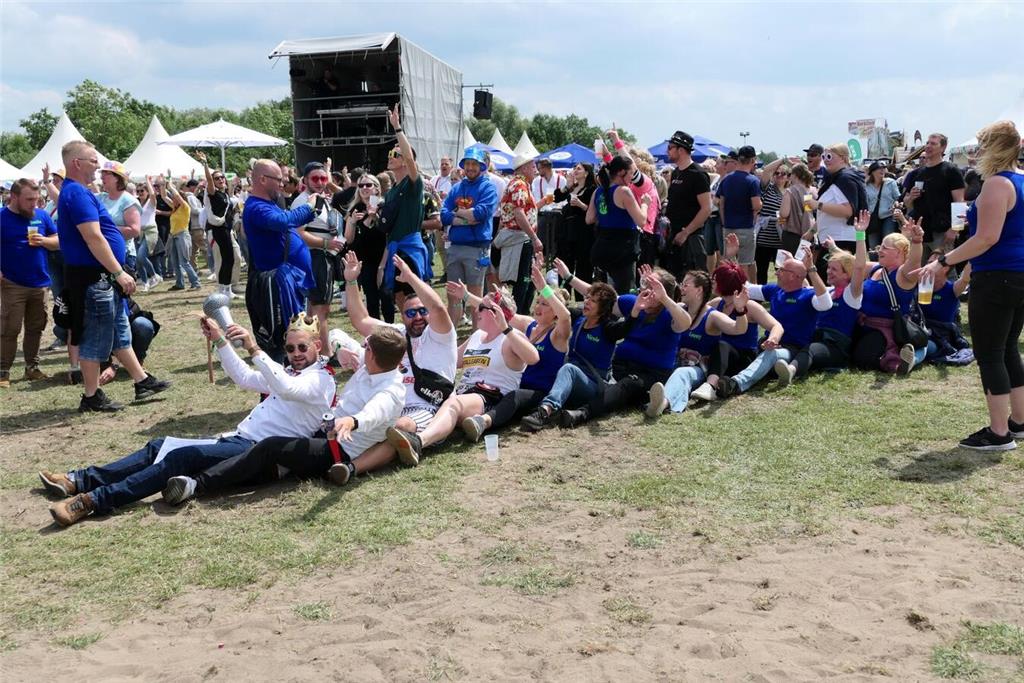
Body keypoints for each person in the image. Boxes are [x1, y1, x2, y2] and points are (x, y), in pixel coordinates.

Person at [42, 314, 336, 526]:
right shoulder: (290, 372)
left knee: (179, 458)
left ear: (317, 347)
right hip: (239, 441)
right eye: (290, 348)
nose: (295, 354)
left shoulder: (322, 381)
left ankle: (95, 500)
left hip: (257, 453)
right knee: (157, 446)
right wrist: (221, 340)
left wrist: (254, 348)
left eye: (302, 347)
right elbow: (244, 377)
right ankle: (80, 480)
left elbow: (286, 387)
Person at [161, 324, 408, 503]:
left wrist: (352, 421)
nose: (296, 353)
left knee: (270, 448)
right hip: (322, 435)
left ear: (372, 354)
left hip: (338, 450)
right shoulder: (372, 364)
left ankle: (195, 485)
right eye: (291, 348)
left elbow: (374, 413)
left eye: (366, 346)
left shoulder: (391, 391)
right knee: (266, 461)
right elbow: (335, 334)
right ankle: (275, 470)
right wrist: (341, 348)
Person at [913, 120, 1023, 450]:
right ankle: (1018, 422)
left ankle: (1000, 432)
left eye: (981, 145)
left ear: (994, 147)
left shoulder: (997, 185)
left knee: (989, 353)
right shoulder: (1019, 181)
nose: (977, 152)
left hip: (997, 277)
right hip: (1017, 275)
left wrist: (944, 261)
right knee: (1007, 350)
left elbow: (986, 238)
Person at [56, 141, 170, 412]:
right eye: (93, 161)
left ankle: (141, 380)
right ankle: (91, 396)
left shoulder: (78, 192)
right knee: (95, 337)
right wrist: (118, 272)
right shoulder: (77, 194)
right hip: (95, 277)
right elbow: (94, 237)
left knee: (119, 331)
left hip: (100, 277)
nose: (98, 166)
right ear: (77, 163)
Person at [329, 252, 457, 473]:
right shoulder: (397, 333)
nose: (417, 316)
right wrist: (351, 280)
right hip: (389, 402)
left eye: (421, 311)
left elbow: (438, 309)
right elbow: (361, 319)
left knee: (398, 427)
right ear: (402, 315)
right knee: (370, 423)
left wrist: (410, 278)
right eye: (410, 313)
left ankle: (350, 468)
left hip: (424, 406)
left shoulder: (441, 335)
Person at [384, 290, 540, 465]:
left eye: (481, 307)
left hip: (492, 399)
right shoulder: (477, 336)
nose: (476, 311)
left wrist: (506, 328)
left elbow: (533, 358)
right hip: (465, 395)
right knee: (432, 402)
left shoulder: (510, 337)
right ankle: (397, 440)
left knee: (453, 403)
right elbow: (451, 360)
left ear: (496, 312)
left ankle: (418, 442)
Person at [560, 265, 691, 426]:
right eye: (646, 284)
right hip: (619, 365)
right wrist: (568, 276)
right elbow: (601, 299)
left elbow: (685, 323)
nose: (648, 290)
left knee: (627, 386)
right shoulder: (634, 303)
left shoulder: (671, 313)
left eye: (654, 287)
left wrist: (664, 298)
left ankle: (583, 413)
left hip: (649, 373)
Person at [459, 260, 572, 441]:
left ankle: (483, 422)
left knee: (515, 396)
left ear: (555, 312)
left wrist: (544, 288)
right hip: (516, 385)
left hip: (539, 392)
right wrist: (466, 296)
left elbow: (566, 316)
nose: (538, 307)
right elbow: (499, 313)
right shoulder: (528, 324)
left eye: (545, 304)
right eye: (538, 302)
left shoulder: (557, 334)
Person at [518, 263, 631, 431]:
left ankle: (544, 412)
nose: (586, 302)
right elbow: (558, 308)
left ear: (604, 308)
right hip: (568, 379)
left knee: (569, 369)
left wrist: (635, 312)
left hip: (592, 384)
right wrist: (545, 288)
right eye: (587, 298)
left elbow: (628, 327)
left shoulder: (609, 328)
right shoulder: (579, 318)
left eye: (593, 301)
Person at [717, 246, 832, 398]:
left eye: (782, 270)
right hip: (766, 343)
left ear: (794, 276)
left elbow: (826, 303)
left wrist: (811, 268)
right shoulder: (775, 290)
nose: (776, 272)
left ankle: (735, 384)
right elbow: (746, 287)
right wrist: (732, 259)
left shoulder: (809, 295)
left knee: (771, 354)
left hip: (792, 350)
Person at [775, 215, 869, 383]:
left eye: (834, 270)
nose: (828, 272)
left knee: (810, 349)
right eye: (828, 268)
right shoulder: (829, 291)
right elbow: (800, 283)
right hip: (816, 338)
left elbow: (860, 266)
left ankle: (790, 371)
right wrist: (792, 263)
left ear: (847, 274)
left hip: (835, 347)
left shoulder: (852, 294)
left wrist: (860, 235)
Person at [243, 158, 318, 363]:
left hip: (288, 281)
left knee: (295, 334)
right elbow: (283, 221)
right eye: (279, 180)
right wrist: (308, 207)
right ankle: (278, 385)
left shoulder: (269, 204)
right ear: (262, 179)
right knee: (283, 339)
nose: (282, 185)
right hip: (278, 286)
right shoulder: (256, 207)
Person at [650, 269, 749, 415]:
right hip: (672, 361)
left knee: (682, 373)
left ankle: (663, 404)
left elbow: (738, 329)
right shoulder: (680, 309)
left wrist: (740, 310)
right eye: (681, 284)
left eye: (686, 285)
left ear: (699, 290)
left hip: (697, 368)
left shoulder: (712, 316)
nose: (681, 288)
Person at [1, 179, 60, 387]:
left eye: (36, 199)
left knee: (36, 326)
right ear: (14, 197)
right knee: (10, 327)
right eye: (29, 199)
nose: (34, 204)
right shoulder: (2, 218)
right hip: (12, 282)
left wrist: (44, 241)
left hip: (40, 282)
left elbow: (57, 240)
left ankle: (32, 368)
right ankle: (3, 371)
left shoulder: (42, 215)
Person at [851, 218, 926, 375]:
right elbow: (857, 263)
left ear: (899, 252)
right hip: (863, 325)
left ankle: (899, 358)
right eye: (881, 247)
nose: (880, 250)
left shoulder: (903, 275)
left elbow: (914, 263)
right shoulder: (875, 268)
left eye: (885, 247)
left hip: (886, 331)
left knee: (863, 360)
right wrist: (860, 235)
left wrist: (917, 242)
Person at [698, 258, 779, 400]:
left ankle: (710, 386)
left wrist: (772, 339)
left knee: (721, 345)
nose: (712, 282)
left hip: (743, 357)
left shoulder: (751, 306)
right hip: (719, 357)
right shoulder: (717, 304)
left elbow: (776, 326)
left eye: (715, 280)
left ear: (724, 283)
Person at [440, 147, 499, 325]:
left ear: (482, 166)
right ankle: (451, 336)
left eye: (474, 164)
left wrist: (456, 213)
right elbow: (443, 214)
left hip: (477, 248)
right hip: (455, 247)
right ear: (463, 166)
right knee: (453, 297)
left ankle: (477, 335)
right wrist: (463, 216)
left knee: (475, 297)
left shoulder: (488, 187)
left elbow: (481, 214)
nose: (471, 167)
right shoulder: (457, 187)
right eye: (468, 164)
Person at [379, 104, 431, 293]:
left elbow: (409, 158)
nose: (390, 157)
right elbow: (390, 232)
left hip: (410, 249)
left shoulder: (413, 184)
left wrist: (397, 128)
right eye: (390, 153)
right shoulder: (392, 191)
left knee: (414, 296)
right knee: (399, 296)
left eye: (395, 154)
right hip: (394, 248)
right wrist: (382, 264)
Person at [292, 161, 344, 350]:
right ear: (305, 180)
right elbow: (298, 233)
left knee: (315, 309)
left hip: (323, 257)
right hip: (315, 257)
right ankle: (325, 353)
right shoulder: (304, 201)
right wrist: (326, 243)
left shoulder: (320, 198)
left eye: (323, 178)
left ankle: (310, 347)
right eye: (315, 178)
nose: (320, 182)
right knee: (321, 309)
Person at [587, 156, 649, 293]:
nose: (633, 178)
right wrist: (645, 204)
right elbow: (641, 221)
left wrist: (606, 213)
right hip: (622, 251)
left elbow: (589, 218)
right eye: (632, 173)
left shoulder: (598, 191)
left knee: (604, 294)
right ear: (621, 172)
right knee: (624, 293)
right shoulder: (623, 191)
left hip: (602, 248)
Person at [806, 143, 867, 279]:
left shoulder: (844, 179)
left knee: (829, 278)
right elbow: (828, 212)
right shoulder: (836, 178)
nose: (825, 160)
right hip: (832, 238)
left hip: (841, 239)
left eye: (829, 156)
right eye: (824, 156)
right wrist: (812, 231)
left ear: (843, 158)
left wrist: (818, 204)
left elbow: (848, 210)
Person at [902, 133, 966, 256]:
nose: (928, 146)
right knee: (917, 269)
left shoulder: (951, 171)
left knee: (943, 270)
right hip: (919, 230)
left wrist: (955, 229)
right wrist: (911, 197)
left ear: (943, 148)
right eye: (927, 143)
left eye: (933, 143)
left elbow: (960, 201)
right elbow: (906, 202)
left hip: (942, 231)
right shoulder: (917, 173)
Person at [496, 153, 543, 313]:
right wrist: (534, 237)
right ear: (523, 168)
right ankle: (518, 316)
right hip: (520, 239)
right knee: (522, 282)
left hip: (519, 238)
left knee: (526, 281)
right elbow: (518, 213)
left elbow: (520, 211)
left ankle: (521, 314)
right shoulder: (519, 185)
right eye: (532, 166)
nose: (535, 169)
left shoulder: (518, 184)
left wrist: (541, 203)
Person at [662, 130, 713, 278]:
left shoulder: (698, 174)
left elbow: (706, 208)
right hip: (673, 235)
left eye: (670, 147)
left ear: (682, 150)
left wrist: (686, 232)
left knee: (694, 279)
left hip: (690, 238)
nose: (667, 151)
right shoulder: (676, 172)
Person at [343, 173, 391, 322]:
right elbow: (349, 239)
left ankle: (391, 331)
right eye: (361, 185)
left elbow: (389, 235)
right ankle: (376, 335)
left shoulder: (384, 206)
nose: (364, 188)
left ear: (376, 188)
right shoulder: (356, 208)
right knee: (371, 299)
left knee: (386, 296)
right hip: (364, 261)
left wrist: (374, 216)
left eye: (368, 185)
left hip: (383, 258)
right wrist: (351, 221)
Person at [716, 145, 762, 282]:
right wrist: (761, 204)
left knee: (728, 265)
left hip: (728, 227)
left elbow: (719, 202)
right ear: (753, 160)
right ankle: (743, 294)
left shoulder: (726, 179)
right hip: (746, 228)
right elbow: (756, 205)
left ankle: (729, 291)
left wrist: (724, 222)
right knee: (744, 267)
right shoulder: (753, 181)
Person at [550, 162, 597, 291]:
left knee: (583, 265)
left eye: (579, 169)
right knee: (565, 261)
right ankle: (564, 292)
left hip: (583, 232)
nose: (575, 171)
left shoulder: (592, 189)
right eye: (575, 168)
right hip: (567, 231)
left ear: (587, 172)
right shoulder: (572, 187)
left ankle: (582, 295)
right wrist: (567, 185)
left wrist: (581, 205)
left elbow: (594, 212)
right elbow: (556, 198)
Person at [919, 251, 971, 363]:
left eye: (933, 263)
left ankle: (910, 359)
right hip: (921, 331)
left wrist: (974, 253)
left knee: (925, 345)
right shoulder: (920, 285)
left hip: (941, 337)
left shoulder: (952, 289)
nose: (928, 266)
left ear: (945, 268)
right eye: (928, 263)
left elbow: (965, 278)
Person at [198, 152, 237, 298]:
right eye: (217, 178)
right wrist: (205, 164)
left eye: (222, 177)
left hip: (226, 228)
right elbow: (208, 179)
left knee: (230, 259)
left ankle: (227, 289)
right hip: (219, 229)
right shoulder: (213, 193)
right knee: (228, 259)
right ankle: (223, 289)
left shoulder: (224, 194)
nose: (220, 179)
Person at [753, 161, 790, 284]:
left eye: (783, 173)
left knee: (781, 269)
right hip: (764, 236)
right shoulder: (767, 188)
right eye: (777, 173)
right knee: (761, 270)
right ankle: (760, 295)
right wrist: (783, 160)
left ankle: (781, 293)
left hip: (780, 238)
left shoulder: (789, 192)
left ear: (788, 177)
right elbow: (766, 171)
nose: (779, 175)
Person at [162, 181, 201, 291]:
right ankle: (180, 284)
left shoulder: (185, 207)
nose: (172, 199)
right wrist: (162, 185)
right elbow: (164, 196)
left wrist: (170, 186)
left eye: (174, 198)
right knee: (175, 262)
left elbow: (177, 196)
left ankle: (196, 283)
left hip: (182, 235)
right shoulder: (175, 208)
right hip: (174, 236)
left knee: (184, 262)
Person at [532, 158, 568, 260]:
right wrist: (551, 199)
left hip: (557, 215)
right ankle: (542, 260)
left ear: (546, 168)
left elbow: (564, 200)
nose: (538, 171)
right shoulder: (536, 181)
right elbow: (537, 199)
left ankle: (554, 260)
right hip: (542, 215)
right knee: (542, 240)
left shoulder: (561, 180)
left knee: (556, 241)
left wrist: (550, 200)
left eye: (539, 169)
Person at [779, 163, 815, 255]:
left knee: (788, 266)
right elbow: (808, 211)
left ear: (795, 175)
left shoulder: (790, 191)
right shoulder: (811, 191)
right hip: (808, 234)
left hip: (791, 236)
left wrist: (780, 221)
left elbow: (784, 214)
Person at [864, 161, 901, 249]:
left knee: (889, 243)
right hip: (872, 218)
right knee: (874, 246)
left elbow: (898, 198)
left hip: (888, 216)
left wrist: (897, 204)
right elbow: (865, 203)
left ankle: (888, 262)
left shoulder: (891, 182)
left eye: (884, 168)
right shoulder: (866, 186)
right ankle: (875, 262)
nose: (882, 170)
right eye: (879, 168)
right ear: (872, 171)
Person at [134, 179, 160, 290]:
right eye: (138, 191)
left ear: (147, 191)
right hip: (139, 232)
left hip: (150, 231)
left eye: (142, 191)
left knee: (141, 255)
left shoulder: (151, 202)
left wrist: (147, 181)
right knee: (138, 260)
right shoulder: (137, 203)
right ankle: (145, 284)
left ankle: (155, 276)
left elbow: (153, 194)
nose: (140, 193)